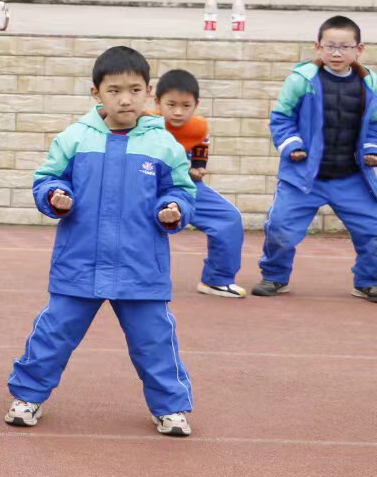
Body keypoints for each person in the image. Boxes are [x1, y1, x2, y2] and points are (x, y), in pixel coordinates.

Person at [7, 46, 197, 437]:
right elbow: (46, 179)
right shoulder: (74, 138)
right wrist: (55, 196)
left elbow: (181, 190)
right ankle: (27, 396)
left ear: (148, 92)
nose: (125, 99)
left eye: (135, 90)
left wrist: (174, 208)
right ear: (96, 93)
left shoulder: (164, 145)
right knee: (53, 333)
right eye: (114, 90)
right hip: (79, 263)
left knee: (154, 341)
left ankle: (171, 408)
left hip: (141, 267)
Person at [254, 15, 377, 301]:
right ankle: (274, 277)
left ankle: (368, 282)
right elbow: (281, 118)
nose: (337, 53)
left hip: (352, 177)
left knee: (374, 230)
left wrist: (371, 150)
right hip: (304, 176)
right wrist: (292, 146)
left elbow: (374, 124)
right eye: (330, 46)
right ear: (318, 47)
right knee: (280, 228)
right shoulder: (301, 80)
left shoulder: (369, 84)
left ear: (359, 49)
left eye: (345, 47)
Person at [152, 69, 245, 297]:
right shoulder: (144, 123)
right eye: (171, 104)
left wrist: (198, 165)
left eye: (186, 106)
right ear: (157, 102)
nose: (178, 112)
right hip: (145, 185)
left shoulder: (198, 126)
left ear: (196, 105)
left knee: (229, 219)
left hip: (182, 186)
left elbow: (201, 143)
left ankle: (217, 279)